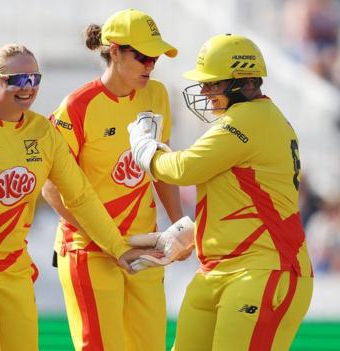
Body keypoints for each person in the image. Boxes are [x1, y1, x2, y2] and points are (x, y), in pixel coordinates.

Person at [0, 43, 156, 351]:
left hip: (13, 269)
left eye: (34, 79)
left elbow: (80, 196)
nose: (27, 88)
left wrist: (119, 249)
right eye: (17, 80)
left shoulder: (44, 132)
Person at [127, 33, 314, 350]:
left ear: (244, 83)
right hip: (219, 269)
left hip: (264, 268)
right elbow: (238, 198)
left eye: (213, 84)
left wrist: (146, 150)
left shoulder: (250, 118)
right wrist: (188, 234)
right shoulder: (253, 119)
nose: (203, 91)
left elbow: (185, 169)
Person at [42, 8, 185, 350]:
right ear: (116, 51)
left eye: (156, 58)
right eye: (143, 57)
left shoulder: (158, 95)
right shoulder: (77, 106)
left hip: (144, 245)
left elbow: (159, 166)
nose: (151, 66)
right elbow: (51, 188)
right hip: (89, 250)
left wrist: (180, 226)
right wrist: (110, 242)